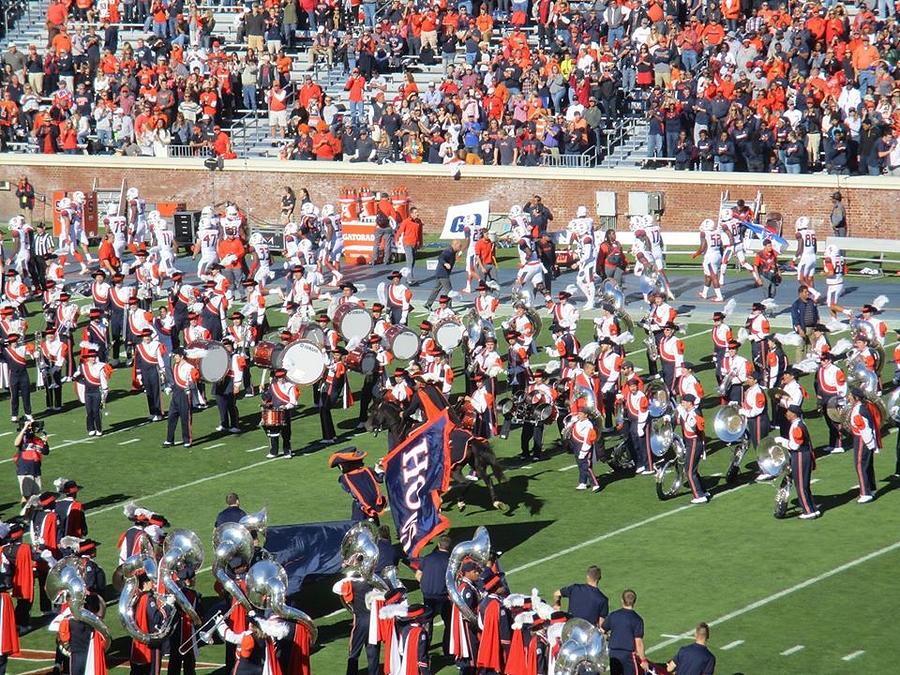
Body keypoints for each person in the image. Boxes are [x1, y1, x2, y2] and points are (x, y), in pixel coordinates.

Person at [779, 405, 820, 520]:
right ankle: (813, 509)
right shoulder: (800, 423)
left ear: (793, 414)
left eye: (788, 412)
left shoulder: (796, 426)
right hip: (804, 455)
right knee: (805, 485)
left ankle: (808, 511)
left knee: (801, 485)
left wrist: (782, 441)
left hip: (800, 456)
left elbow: (795, 445)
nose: (786, 413)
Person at [415, 534, 452, 656]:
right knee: (449, 624)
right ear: (449, 548)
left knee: (427, 624)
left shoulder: (427, 558)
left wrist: (425, 586)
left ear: (438, 545)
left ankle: (424, 650)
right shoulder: (450, 561)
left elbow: (418, 575)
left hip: (428, 596)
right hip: (444, 597)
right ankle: (447, 651)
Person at [327, 447, 387, 523]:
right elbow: (380, 479)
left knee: (358, 528)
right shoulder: (368, 470)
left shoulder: (343, 478)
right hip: (374, 504)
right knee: (374, 526)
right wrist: (380, 471)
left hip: (360, 508)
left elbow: (347, 489)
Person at [13, 419, 49, 503]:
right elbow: (16, 443)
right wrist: (24, 428)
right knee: (26, 495)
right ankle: (25, 515)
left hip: (36, 470)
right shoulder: (23, 439)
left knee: (36, 495)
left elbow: (46, 452)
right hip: (24, 470)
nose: (32, 428)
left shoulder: (38, 439)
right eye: (30, 426)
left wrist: (45, 443)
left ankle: (33, 514)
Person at [425, 240, 462, 310]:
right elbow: (440, 258)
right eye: (459, 246)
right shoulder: (448, 251)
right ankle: (449, 308)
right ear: (455, 245)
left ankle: (428, 304)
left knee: (436, 289)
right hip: (443, 274)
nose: (460, 247)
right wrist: (445, 263)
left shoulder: (453, 252)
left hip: (440, 273)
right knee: (450, 291)